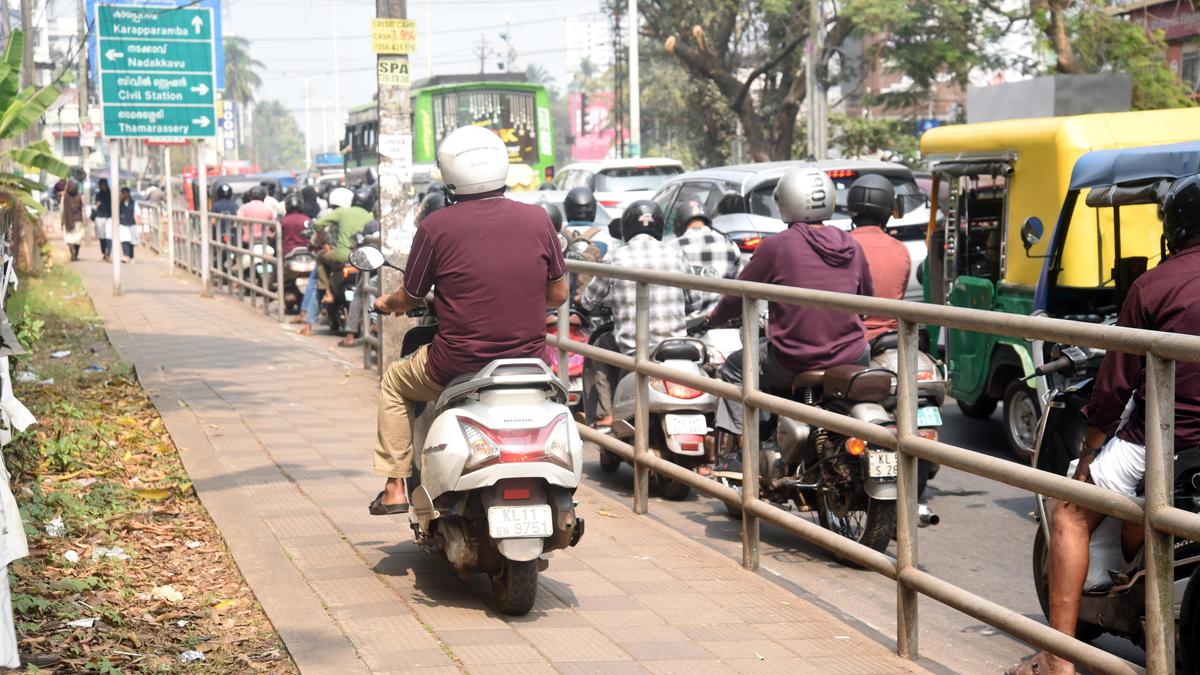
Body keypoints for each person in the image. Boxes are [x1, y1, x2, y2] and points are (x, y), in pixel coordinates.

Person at [1008, 175, 1200, 675]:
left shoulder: (1154, 285)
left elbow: (1114, 387)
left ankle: (1056, 658)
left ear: (1175, 226)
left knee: (1069, 509)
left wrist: (1090, 452)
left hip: (1167, 439)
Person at [367, 125, 567, 514]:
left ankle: (394, 486)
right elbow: (557, 294)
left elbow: (410, 295)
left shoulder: (435, 227)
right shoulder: (539, 220)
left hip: (456, 363)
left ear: (450, 175)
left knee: (394, 382)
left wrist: (386, 304)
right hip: (529, 362)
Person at [707, 167, 874, 443]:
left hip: (794, 357)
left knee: (734, 368)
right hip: (853, 354)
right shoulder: (851, 245)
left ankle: (743, 450)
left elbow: (737, 297)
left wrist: (714, 319)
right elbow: (866, 300)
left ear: (785, 201)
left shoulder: (777, 246)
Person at [580, 200, 701, 428]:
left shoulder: (616, 258)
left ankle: (607, 415)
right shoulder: (675, 254)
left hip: (633, 349)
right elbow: (694, 302)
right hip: (674, 346)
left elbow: (588, 300)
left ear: (626, 228)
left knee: (598, 347)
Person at [846, 174, 911, 341]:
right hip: (891, 340)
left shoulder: (840, 245)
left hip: (851, 340)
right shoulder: (900, 250)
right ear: (887, 211)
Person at [670, 199, 742, 314]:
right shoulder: (729, 244)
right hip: (722, 321)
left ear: (679, 223)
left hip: (689, 324)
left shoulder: (674, 248)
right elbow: (740, 285)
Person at [311, 186, 371, 306]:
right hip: (364, 258)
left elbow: (317, 224)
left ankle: (328, 293)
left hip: (342, 256)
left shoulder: (341, 212)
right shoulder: (370, 215)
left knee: (319, 258)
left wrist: (323, 241)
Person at [61, 180, 84, 261]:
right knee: (78, 239)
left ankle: (72, 250)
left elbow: (62, 210)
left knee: (68, 238)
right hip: (78, 220)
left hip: (67, 220)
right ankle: (76, 254)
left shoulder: (65, 196)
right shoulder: (79, 196)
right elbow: (82, 208)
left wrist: (62, 221)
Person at [92, 178, 113, 262]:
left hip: (109, 217)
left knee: (109, 236)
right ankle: (104, 253)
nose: (103, 186)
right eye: (102, 184)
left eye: (104, 184)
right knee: (102, 237)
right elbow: (93, 206)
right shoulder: (97, 194)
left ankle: (108, 254)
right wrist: (96, 205)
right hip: (100, 217)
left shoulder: (111, 194)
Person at [117, 187, 137, 262]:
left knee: (131, 241)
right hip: (122, 223)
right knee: (124, 240)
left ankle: (131, 256)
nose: (124, 194)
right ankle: (126, 255)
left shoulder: (133, 202)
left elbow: (137, 212)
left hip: (131, 223)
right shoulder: (120, 203)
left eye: (126, 192)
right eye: (123, 193)